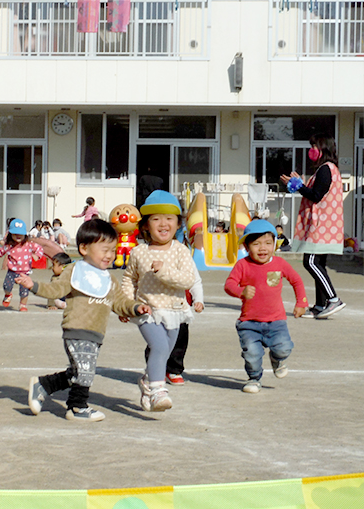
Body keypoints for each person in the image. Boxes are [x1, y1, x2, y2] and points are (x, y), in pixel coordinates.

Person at [17, 218, 150, 422]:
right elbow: (56, 289)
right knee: (85, 371)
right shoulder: (74, 271)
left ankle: (43, 385)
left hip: (96, 335)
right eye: (104, 249)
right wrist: (32, 285)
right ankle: (77, 407)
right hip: (76, 329)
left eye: (112, 250)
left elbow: (120, 302)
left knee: (79, 371)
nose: (109, 255)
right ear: (84, 248)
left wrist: (135, 308)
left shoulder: (109, 279)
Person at [121, 190, 196, 412]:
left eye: (169, 218)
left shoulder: (181, 251)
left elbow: (188, 280)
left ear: (178, 223)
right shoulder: (138, 252)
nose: (163, 224)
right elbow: (129, 279)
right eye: (156, 218)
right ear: (145, 226)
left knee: (163, 353)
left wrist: (164, 272)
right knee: (160, 346)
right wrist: (127, 304)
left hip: (174, 310)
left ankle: (146, 382)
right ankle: (157, 391)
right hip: (147, 310)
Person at [224, 220, 308, 394]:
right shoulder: (243, 265)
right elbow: (229, 284)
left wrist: (302, 302)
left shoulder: (280, 264)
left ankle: (277, 359)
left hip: (276, 321)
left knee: (284, 347)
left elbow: (296, 281)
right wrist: (241, 291)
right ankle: (254, 379)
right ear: (247, 247)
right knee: (252, 355)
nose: (262, 248)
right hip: (249, 323)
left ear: (274, 245)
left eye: (268, 243)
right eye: (256, 244)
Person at [280, 134, 344, 320]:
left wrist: (297, 185)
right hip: (325, 226)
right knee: (319, 263)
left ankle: (333, 298)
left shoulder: (326, 169)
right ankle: (319, 305)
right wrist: (297, 184)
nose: (311, 150)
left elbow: (316, 195)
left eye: (314, 146)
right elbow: (313, 192)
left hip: (321, 226)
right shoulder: (326, 170)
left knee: (310, 262)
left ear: (323, 148)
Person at [143, 272, 204, 385]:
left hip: (180, 308)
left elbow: (195, 281)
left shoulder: (186, 260)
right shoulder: (157, 257)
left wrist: (198, 299)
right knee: (157, 340)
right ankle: (153, 369)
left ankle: (174, 370)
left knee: (180, 340)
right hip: (160, 307)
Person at [0, 219, 44, 312]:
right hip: (12, 271)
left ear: (25, 234)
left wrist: (37, 255)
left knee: (24, 291)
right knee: (6, 286)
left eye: (20, 233)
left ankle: (22, 305)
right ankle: (8, 294)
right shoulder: (9, 246)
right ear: (10, 235)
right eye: (15, 233)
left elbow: (39, 248)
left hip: (24, 272)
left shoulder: (29, 244)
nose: (18, 236)